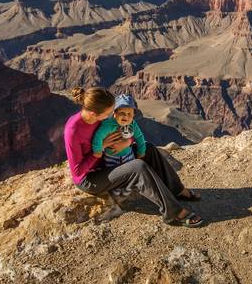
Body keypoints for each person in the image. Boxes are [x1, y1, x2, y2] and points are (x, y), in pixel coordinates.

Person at [63, 86, 204, 227]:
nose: (111, 116)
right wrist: (100, 149)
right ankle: (174, 214)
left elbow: (126, 130)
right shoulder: (73, 131)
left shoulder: (99, 118)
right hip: (91, 178)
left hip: (109, 161)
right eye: (107, 114)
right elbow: (77, 171)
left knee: (148, 149)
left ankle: (177, 190)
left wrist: (127, 142)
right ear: (94, 114)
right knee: (138, 167)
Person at [91, 94, 146, 168]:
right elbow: (98, 136)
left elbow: (139, 137)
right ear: (115, 113)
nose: (126, 116)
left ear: (133, 116)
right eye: (122, 113)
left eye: (129, 114)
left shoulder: (133, 124)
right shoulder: (108, 125)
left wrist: (141, 151)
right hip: (111, 158)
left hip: (129, 155)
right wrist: (97, 150)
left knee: (132, 171)